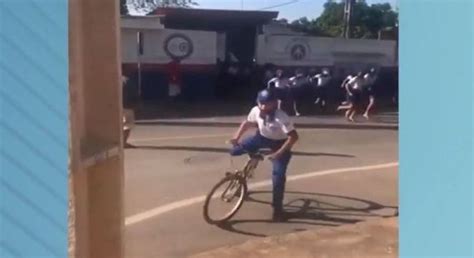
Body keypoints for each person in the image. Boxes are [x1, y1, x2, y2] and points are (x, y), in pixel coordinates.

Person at [229, 89, 299, 221]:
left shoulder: (281, 117)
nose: (263, 107)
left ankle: (278, 210)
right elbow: (247, 123)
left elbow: (293, 137)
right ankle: (252, 161)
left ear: (274, 104)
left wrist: (279, 153)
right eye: (261, 103)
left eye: (267, 104)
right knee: (234, 151)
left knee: (278, 177)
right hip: (261, 137)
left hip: (280, 144)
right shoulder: (256, 110)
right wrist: (236, 138)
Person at [122, 75, 135, 148]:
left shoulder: (113, 79)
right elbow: (133, 93)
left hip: (117, 106)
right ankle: (124, 142)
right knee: (127, 125)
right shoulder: (127, 81)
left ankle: (121, 142)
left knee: (121, 125)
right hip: (127, 106)